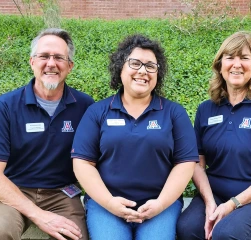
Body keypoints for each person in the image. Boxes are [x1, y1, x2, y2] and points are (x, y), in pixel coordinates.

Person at [71, 34, 198, 240]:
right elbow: (82, 163)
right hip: (106, 205)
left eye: (150, 66)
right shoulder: (98, 112)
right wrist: (110, 203)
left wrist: (161, 204)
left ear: (158, 73)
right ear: (120, 67)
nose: (142, 71)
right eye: (135, 63)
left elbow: (185, 164)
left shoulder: (174, 113)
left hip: (159, 205)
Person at [176, 31, 251, 240]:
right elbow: (196, 163)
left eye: (244, 58)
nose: (237, 64)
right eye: (230, 57)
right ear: (220, 65)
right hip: (216, 193)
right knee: (187, 229)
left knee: (226, 234)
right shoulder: (206, 109)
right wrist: (209, 201)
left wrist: (233, 204)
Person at [0, 28, 94, 240]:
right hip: (13, 191)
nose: (51, 63)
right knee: (1, 232)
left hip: (62, 193)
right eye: (44, 56)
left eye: (59, 57)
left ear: (70, 66)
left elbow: (95, 159)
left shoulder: (85, 105)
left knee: (75, 236)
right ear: (32, 62)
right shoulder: (6, 105)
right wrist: (39, 215)